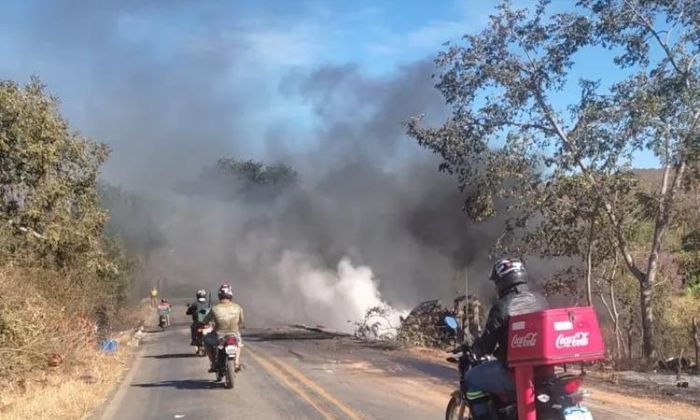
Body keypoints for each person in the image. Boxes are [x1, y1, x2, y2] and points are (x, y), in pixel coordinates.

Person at [463, 258, 548, 420]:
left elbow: (486, 346)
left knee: (471, 378)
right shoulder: (540, 300)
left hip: (515, 373)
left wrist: (475, 349)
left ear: (502, 280)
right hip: (544, 371)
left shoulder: (502, 306)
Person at [203, 284, 245, 372]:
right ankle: (236, 362)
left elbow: (205, 320)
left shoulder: (214, 308)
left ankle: (213, 364)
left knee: (206, 340)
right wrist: (240, 326)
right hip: (234, 334)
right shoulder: (238, 307)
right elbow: (241, 322)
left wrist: (206, 324)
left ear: (219, 296)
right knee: (239, 344)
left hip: (219, 336)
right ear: (230, 295)